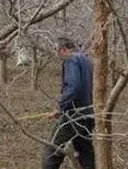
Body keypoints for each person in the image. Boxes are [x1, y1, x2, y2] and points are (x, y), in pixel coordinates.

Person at [41, 37, 95, 169]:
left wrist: (60, 106)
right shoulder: (85, 60)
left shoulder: (70, 60)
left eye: (56, 49)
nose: (55, 53)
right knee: (85, 152)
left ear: (63, 49)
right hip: (87, 114)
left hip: (73, 116)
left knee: (52, 150)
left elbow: (73, 87)